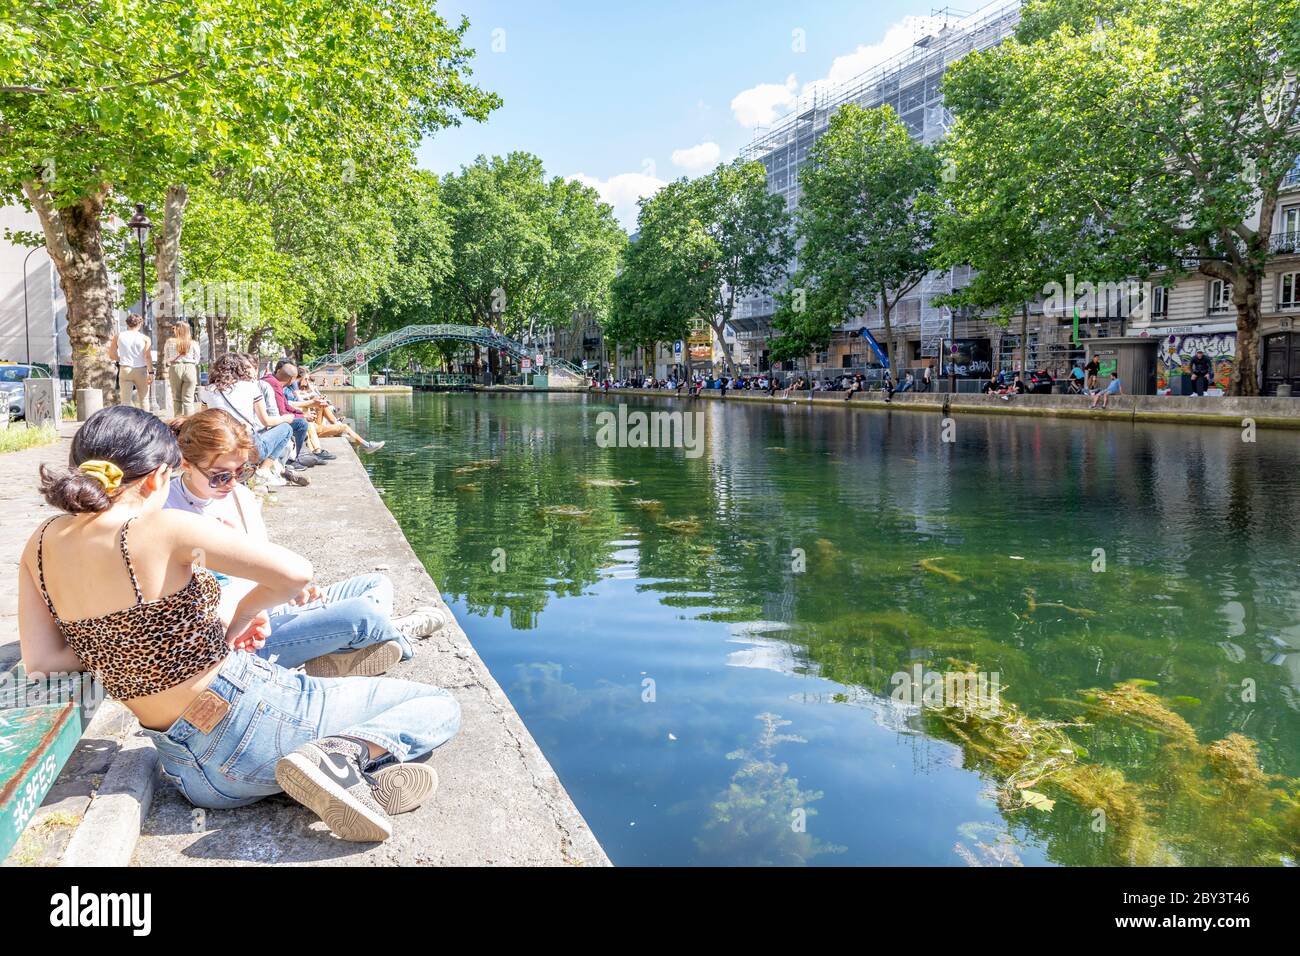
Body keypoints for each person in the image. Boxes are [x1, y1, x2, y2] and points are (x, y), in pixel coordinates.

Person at [19, 406, 460, 841]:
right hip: (250, 713)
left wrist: (121, 640)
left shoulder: (38, 546)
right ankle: (343, 759)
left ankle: (342, 779)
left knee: (323, 732)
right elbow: (295, 573)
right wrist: (243, 615)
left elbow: (41, 660)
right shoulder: (163, 527)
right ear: (156, 477)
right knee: (437, 705)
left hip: (197, 778)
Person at [166, 410, 451, 676]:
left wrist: (288, 588)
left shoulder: (240, 497)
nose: (231, 483)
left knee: (377, 584)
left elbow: (263, 558)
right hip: (244, 632)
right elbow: (187, 608)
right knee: (361, 614)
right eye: (220, 476)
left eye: (241, 472)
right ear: (186, 464)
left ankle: (355, 643)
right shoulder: (168, 514)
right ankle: (400, 635)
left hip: (272, 606)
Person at [201, 353, 307, 487]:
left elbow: (204, 420)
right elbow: (266, 421)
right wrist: (285, 418)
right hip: (248, 446)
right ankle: (263, 471)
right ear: (240, 368)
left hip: (221, 446)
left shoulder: (207, 390)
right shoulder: (251, 387)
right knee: (286, 429)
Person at [108, 315, 152, 410]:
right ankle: (146, 423)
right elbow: (147, 357)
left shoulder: (118, 336)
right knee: (144, 399)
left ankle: (126, 423)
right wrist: (151, 372)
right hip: (141, 369)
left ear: (127, 323)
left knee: (125, 401)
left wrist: (121, 359)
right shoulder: (145, 338)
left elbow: (111, 354)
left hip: (125, 369)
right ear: (140, 324)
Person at [163, 321, 202, 416]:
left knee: (177, 399)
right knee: (188, 400)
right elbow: (197, 359)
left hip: (176, 368)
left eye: (174, 329)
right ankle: (189, 424)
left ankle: (178, 422)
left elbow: (167, 359)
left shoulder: (170, 342)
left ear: (177, 330)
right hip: (190, 368)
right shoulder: (193, 343)